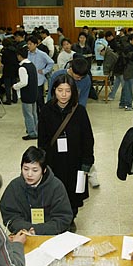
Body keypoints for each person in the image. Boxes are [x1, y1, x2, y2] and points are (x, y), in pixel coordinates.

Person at [38, 74, 95, 232]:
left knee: (73, 191)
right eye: (60, 90)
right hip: (53, 160)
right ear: (53, 90)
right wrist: (41, 162)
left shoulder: (80, 112)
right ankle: (56, 217)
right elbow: (42, 139)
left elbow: (88, 138)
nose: (63, 94)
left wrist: (87, 162)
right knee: (54, 190)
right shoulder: (46, 110)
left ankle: (71, 218)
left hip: (75, 161)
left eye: (68, 91)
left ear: (73, 92)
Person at [0, 146, 73, 235]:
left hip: (51, 235)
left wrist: (37, 230)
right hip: (23, 234)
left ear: (44, 170)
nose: (29, 174)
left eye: (35, 170)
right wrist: (27, 229)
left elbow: (63, 218)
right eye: (25, 169)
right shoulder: (14, 186)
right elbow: (10, 216)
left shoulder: (56, 186)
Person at [13, 46, 38, 140]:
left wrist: (15, 86)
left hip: (27, 94)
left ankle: (31, 133)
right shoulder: (32, 65)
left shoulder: (22, 68)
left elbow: (24, 82)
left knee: (28, 114)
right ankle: (36, 130)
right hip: (34, 92)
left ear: (19, 56)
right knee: (34, 113)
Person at [27, 35, 54, 117]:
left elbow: (51, 62)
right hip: (29, 80)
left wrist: (44, 71)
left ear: (36, 44)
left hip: (39, 80)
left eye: (30, 44)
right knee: (32, 101)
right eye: (28, 44)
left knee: (39, 100)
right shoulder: (26, 54)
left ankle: (43, 116)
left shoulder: (42, 54)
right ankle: (36, 117)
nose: (28, 46)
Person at [121, 33, 133, 111]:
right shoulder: (129, 48)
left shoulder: (129, 47)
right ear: (130, 40)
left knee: (125, 87)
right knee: (129, 88)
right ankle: (128, 105)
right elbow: (132, 57)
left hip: (127, 69)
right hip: (129, 70)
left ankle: (122, 103)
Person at [0, 37, 20, 105]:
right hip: (14, 69)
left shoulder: (5, 52)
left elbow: (3, 61)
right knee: (14, 85)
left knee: (7, 86)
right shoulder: (15, 50)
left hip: (7, 70)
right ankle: (15, 98)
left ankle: (8, 100)